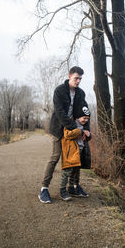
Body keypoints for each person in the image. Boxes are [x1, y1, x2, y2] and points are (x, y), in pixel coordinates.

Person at [38, 66, 90, 203]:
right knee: (55, 157)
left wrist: (86, 129)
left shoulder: (81, 93)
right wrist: (75, 128)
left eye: (80, 79)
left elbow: (85, 112)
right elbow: (60, 113)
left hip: (74, 130)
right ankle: (44, 189)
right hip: (59, 129)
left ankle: (73, 187)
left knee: (75, 158)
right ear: (69, 76)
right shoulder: (59, 91)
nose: (78, 81)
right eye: (76, 78)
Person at [60, 104, 91, 201]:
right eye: (84, 118)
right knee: (67, 171)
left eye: (87, 118)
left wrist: (89, 134)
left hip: (80, 151)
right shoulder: (71, 123)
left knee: (76, 171)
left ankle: (72, 188)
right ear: (78, 116)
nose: (85, 120)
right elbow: (67, 135)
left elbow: (86, 137)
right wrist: (80, 132)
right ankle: (62, 190)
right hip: (71, 152)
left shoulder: (84, 126)